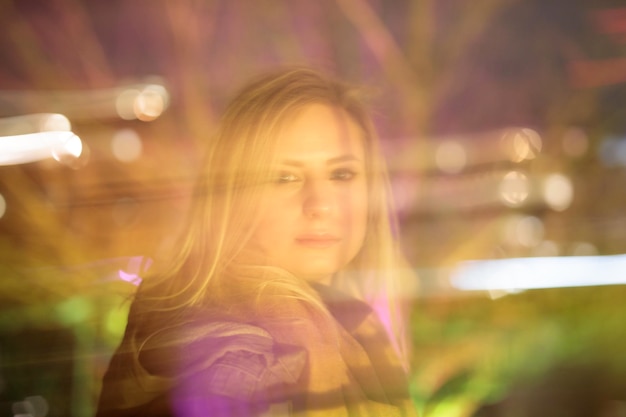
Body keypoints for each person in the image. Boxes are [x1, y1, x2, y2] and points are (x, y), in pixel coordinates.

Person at [96, 67, 418, 416]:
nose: (321, 204)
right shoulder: (250, 355)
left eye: (342, 174)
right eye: (284, 177)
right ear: (233, 196)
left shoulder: (351, 326)